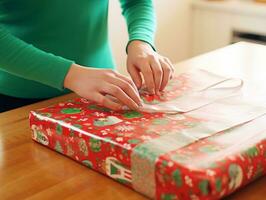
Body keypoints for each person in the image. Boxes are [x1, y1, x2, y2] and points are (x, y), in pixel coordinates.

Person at [0, 0, 174, 113]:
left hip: (102, 93)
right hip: (21, 101)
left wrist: (141, 41)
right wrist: (70, 74)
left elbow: (136, 2)